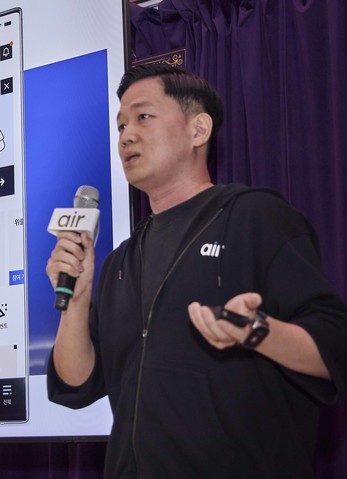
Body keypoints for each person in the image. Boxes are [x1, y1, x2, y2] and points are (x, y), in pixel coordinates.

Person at [46, 64, 347, 478]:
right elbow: (76, 384)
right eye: (121, 126)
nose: (126, 135)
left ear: (198, 130)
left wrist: (256, 331)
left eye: (143, 117)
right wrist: (77, 301)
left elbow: (334, 348)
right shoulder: (120, 262)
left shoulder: (254, 217)